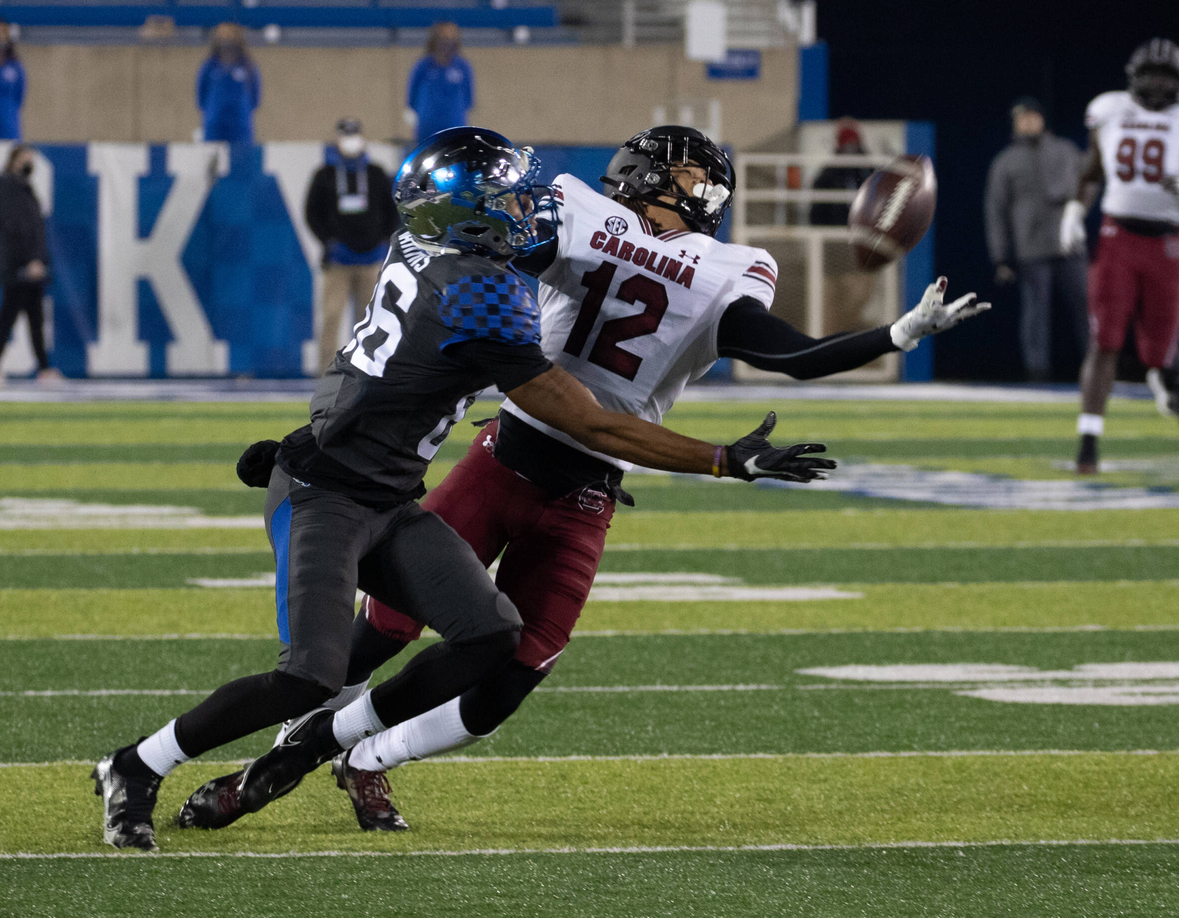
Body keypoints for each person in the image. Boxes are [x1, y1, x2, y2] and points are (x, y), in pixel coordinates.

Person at [185, 127, 989, 835]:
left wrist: (894, 330)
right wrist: (893, 334)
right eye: (689, 178)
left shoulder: (676, 251)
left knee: (516, 669)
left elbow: (781, 350)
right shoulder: (620, 229)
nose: (705, 194)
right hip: (508, 452)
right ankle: (285, 754)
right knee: (385, 623)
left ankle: (357, 756)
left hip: (586, 487)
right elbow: (471, 263)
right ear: (646, 178)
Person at [1061, 38, 1179, 474]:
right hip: (1118, 238)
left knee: (1159, 350)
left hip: (1169, 242)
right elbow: (1093, 167)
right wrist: (1075, 210)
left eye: (1166, 76)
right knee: (1105, 342)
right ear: (1133, 76)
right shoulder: (1109, 110)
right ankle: (1088, 440)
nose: (1157, 84)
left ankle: (1162, 373)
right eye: (1150, 74)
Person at [985, 96, 1088, 382]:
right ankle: (1037, 372)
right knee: (1035, 314)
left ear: (1042, 119)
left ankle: (1097, 366)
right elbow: (996, 210)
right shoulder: (1005, 161)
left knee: (1086, 306)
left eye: (1031, 116)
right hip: (1030, 245)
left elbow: (1091, 181)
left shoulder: (1065, 150)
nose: (1028, 122)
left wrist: (1079, 213)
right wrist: (1000, 256)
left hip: (1069, 243)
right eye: (1021, 118)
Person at [305, 119, 400, 371]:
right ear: (337, 139)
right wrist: (329, 242)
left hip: (371, 261)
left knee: (370, 319)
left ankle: (370, 369)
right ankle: (325, 372)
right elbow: (312, 214)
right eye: (346, 136)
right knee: (331, 318)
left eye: (354, 135)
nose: (350, 141)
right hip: (338, 262)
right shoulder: (325, 175)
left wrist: (382, 243)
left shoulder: (375, 174)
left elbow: (393, 212)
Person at [0, 145, 59, 387]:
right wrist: (30, 260)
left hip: (29, 264)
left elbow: (34, 229)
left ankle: (44, 368)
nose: (29, 163)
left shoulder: (24, 188)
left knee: (36, 319)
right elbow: (16, 227)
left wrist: (39, 259)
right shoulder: (8, 186)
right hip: (18, 266)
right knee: (8, 316)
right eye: (26, 159)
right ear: (14, 160)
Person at [809, 119, 877, 334]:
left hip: (862, 250)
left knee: (860, 294)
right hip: (834, 252)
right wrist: (826, 246)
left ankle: (848, 335)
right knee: (830, 305)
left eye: (853, 144)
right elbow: (816, 215)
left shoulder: (870, 171)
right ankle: (832, 347)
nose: (850, 150)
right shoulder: (829, 175)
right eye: (845, 144)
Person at [406, 22, 474, 143]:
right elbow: (412, 99)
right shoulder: (423, 66)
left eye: (450, 41)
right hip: (427, 130)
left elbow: (469, 100)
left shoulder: (463, 67)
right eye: (443, 41)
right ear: (435, 42)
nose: (446, 46)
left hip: (455, 128)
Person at [196, 23, 261, 145]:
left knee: (241, 161)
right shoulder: (209, 67)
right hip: (214, 125)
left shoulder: (249, 67)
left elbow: (255, 98)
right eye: (223, 34)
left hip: (240, 125)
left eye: (230, 34)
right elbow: (201, 96)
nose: (226, 38)